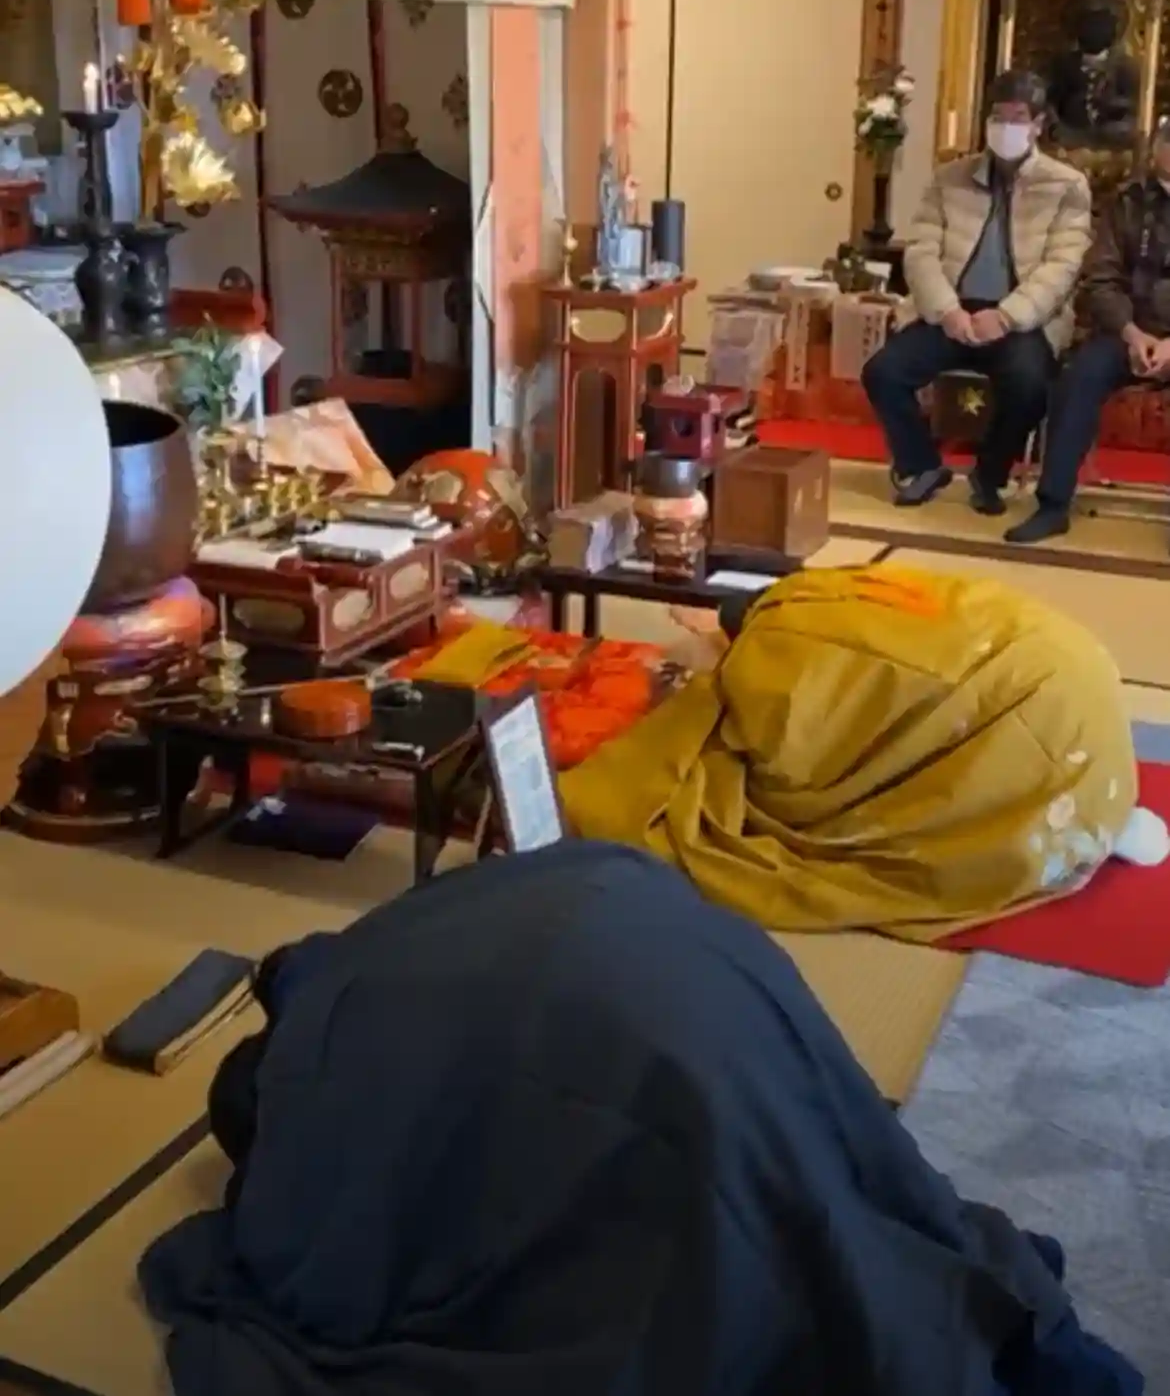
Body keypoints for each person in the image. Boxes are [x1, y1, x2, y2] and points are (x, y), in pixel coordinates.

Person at [140, 841, 1143, 1396]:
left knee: (740, 1270)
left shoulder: (344, 1088)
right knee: (827, 1191)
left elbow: (319, 1256)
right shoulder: (382, 953)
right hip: (704, 979)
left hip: (655, 1038)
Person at [559, 564, 1167, 940]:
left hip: (1041, 725)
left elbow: (794, 766)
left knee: (765, 805)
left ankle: (1086, 817)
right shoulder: (808, 593)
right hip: (1074, 675)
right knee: (959, 716)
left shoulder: (768, 661)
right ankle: (1103, 808)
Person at [862, 70, 1092, 512]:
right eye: (997, 117)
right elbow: (921, 252)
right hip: (952, 312)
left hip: (1021, 319)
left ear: (1038, 124)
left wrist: (1006, 316)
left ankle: (990, 474)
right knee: (883, 373)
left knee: (1030, 385)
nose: (1006, 127)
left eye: (1018, 118)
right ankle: (920, 464)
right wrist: (947, 311)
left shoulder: (1065, 185)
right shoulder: (950, 178)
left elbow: (1063, 266)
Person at [1008, 118, 1170, 544]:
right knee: (1078, 377)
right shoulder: (1127, 202)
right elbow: (1101, 278)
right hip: (1127, 332)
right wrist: (1131, 333)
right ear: (1155, 148)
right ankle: (1053, 504)